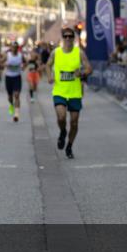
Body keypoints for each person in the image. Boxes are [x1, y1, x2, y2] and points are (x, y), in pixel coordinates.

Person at [48, 27, 92, 160]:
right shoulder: (56, 52)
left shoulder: (79, 53)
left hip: (74, 93)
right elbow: (47, 65)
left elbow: (89, 68)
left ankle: (69, 146)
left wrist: (83, 72)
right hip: (60, 91)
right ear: (62, 38)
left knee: (74, 122)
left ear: (74, 38)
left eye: (70, 36)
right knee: (61, 118)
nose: (68, 39)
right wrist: (49, 76)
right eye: (65, 36)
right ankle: (62, 132)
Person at [4, 41, 24, 122]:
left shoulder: (20, 55)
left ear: (17, 48)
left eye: (16, 47)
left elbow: (25, 62)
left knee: (16, 95)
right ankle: (11, 104)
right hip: (8, 77)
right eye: (13, 47)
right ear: (11, 47)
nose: (14, 48)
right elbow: (1, 63)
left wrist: (23, 67)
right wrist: (5, 64)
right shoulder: (7, 55)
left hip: (17, 77)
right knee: (10, 97)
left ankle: (16, 114)